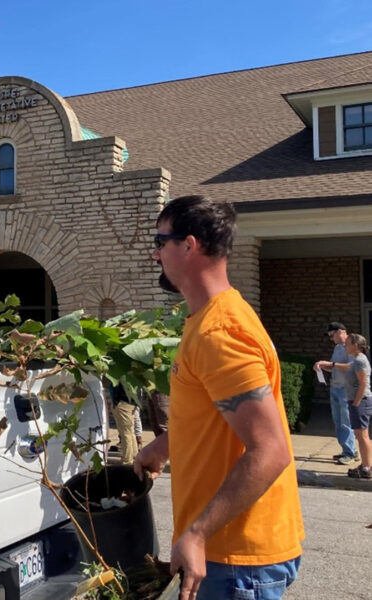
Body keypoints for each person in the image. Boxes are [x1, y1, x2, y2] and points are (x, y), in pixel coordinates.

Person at [134, 195, 304, 600]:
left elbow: (271, 450)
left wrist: (196, 534)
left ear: (188, 245)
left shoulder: (220, 332)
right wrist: (163, 446)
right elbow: (216, 417)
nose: (155, 254)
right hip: (231, 557)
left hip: (234, 559)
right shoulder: (211, 319)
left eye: (160, 242)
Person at [327, 333, 372, 479]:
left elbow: (363, 383)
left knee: (363, 435)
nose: (345, 346)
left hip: (361, 401)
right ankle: (365, 464)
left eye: (347, 343)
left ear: (356, 345)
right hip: (357, 401)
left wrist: (356, 402)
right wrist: (329, 365)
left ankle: (367, 467)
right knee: (360, 435)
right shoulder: (356, 360)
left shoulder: (359, 360)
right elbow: (346, 368)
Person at [313, 322, 358, 464]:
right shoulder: (338, 348)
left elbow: (351, 367)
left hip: (346, 389)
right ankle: (348, 449)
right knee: (338, 421)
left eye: (332, 335)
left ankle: (349, 453)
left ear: (340, 332)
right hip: (335, 387)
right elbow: (334, 368)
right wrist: (321, 367)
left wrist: (330, 364)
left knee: (346, 421)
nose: (331, 339)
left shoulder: (352, 345)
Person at [111, 383, 138, 464]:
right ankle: (134, 456)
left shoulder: (123, 374)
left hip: (123, 403)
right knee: (130, 432)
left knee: (126, 434)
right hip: (129, 403)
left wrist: (116, 402)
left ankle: (127, 460)